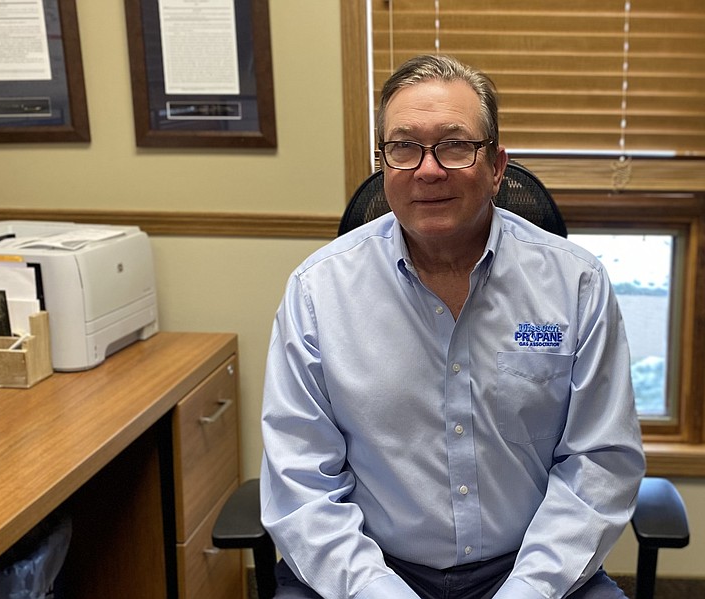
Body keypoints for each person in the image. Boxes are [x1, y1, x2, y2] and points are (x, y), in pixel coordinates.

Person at [260, 54, 645, 599]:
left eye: (455, 144)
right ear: (384, 163)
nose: (428, 169)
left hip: (533, 566)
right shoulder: (318, 293)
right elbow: (301, 482)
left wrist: (528, 591)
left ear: (497, 166)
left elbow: (599, 463)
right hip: (368, 568)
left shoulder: (575, 284)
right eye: (403, 147)